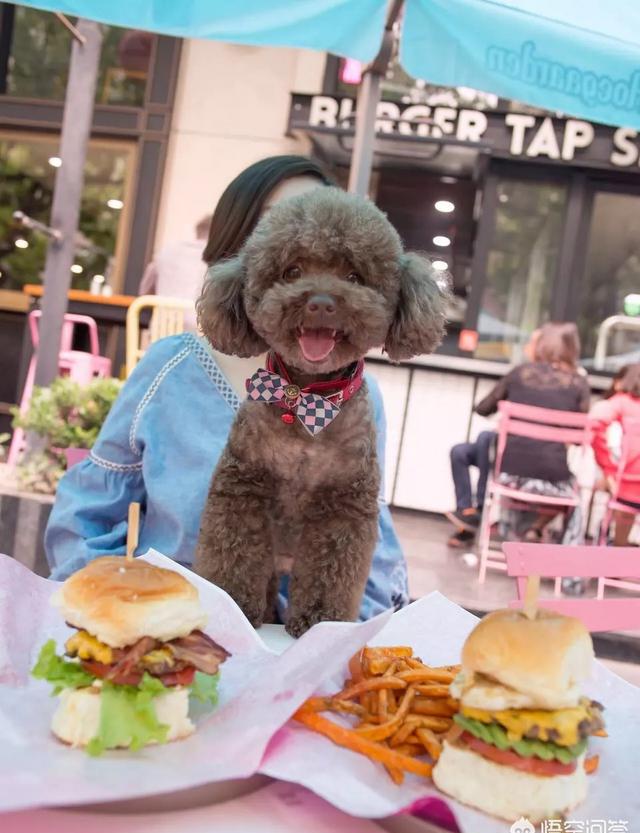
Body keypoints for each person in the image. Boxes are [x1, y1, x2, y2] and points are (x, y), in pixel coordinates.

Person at [44, 155, 410, 620]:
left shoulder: (359, 394)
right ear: (239, 252)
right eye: (292, 257)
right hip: (172, 637)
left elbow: (370, 542)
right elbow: (88, 513)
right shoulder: (171, 369)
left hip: (296, 657)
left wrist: (342, 648)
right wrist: (114, 616)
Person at [472, 322, 590, 542]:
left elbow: (482, 408)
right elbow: (579, 436)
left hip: (510, 476)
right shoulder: (579, 383)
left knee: (492, 449)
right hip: (553, 480)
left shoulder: (519, 373)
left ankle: (509, 535)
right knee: (574, 493)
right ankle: (567, 571)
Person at [445, 329, 541, 548]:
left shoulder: (520, 375)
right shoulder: (524, 375)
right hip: (501, 449)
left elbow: (483, 408)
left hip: (517, 457)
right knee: (460, 451)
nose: (526, 347)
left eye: (532, 343)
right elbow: (483, 408)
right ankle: (467, 511)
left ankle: (476, 513)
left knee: (486, 438)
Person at [590, 363, 640, 546]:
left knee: (621, 495)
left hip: (626, 489)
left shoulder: (621, 402)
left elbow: (595, 424)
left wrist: (608, 469)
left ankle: (618, 552)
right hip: (629, 488)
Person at [138, 214, 212, 330]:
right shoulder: (215, 258)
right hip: (197, 337)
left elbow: (144, 291)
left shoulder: (166, 251)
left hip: (161, 332)